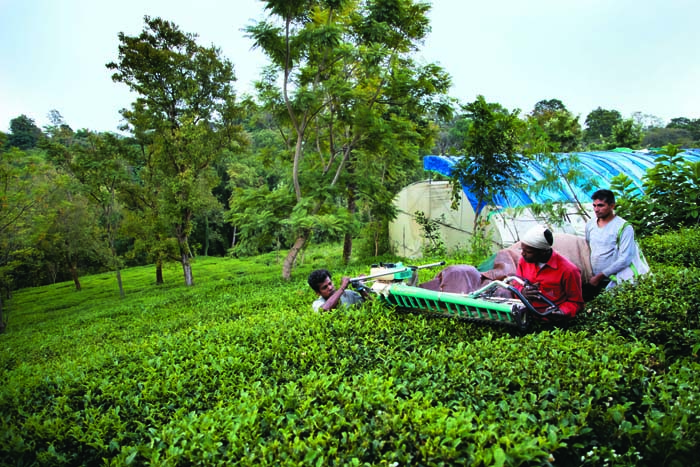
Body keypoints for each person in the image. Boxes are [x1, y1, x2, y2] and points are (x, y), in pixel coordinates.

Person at [584, 189, 649, 301]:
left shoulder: (623, 227)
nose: (596, 209)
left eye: (600, 205)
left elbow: (625, 258)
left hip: (615, 279)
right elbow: (587, 247)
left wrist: (601, 276)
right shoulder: (590, 225)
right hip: (594, 279)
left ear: (612, 206)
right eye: (594, 205)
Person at [515, 225, 584, 318]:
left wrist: (562, 311)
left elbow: (576, 302)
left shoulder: (569, 271)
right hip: (526, 315)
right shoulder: (523, 261)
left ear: (543, 252)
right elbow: (516, 284)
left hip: (549, 320)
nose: (523, 254)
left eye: (528, 251)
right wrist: (522, 292)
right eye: (522, 249)